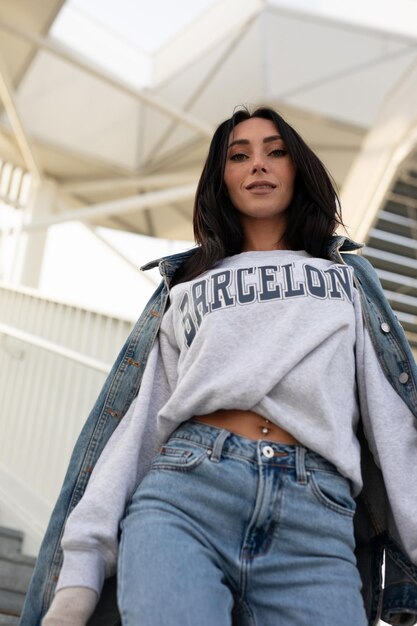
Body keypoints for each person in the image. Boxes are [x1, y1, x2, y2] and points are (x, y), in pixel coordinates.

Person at [22, 107, 417, 626]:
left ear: (299, 169)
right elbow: (135, 429)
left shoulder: (345, 279)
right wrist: (77, 580)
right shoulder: (185, 286)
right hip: (186, 491)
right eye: (239, 155)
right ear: (222, 178)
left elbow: (397, 428)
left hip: (315, 516)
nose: (258, 165)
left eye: (275, 151)